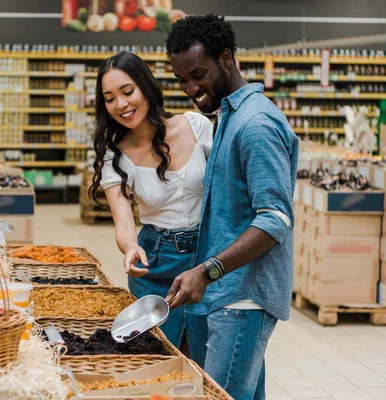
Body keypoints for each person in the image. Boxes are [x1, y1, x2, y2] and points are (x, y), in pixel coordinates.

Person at [164, 14, 299, 400]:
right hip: (229, 293)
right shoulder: (230, 115)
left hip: (243, 297)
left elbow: (275, 219)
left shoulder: (255, 124)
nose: (191, 88)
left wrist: (208, 271)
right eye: (182, 80)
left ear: (226, 59)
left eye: (198, 74)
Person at [89, 51, 212, 366]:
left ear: (145, 86)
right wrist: (130, 247)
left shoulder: (196, 126)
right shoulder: (115, 156)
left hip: (209, 257)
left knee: (207, 358)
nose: (121, 104)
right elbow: (124, 224)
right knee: (158, 361)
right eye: (110, 98)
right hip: (155, 262)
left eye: (127, 91)